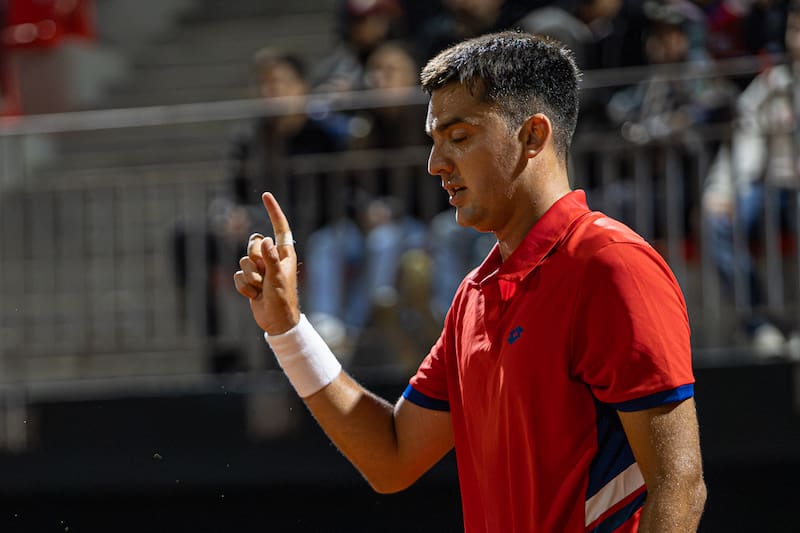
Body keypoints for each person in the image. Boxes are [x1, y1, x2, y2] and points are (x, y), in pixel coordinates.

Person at [234, 32, 706, 531]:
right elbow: (391, 458)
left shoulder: (613, 265)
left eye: (458, 138)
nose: (436, 164)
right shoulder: (472, 298)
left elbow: (679, 486)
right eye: (433, 142)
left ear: (533, 136)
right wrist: (288, 329)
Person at [702, 1, 800, 358]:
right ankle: (758, 322)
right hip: (774, 185)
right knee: (719, 221)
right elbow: (744, 144)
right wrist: (721, 192)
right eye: (794, 31)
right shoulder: (772, 84)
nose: (798, 40)